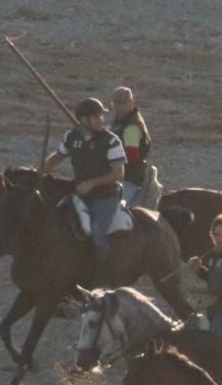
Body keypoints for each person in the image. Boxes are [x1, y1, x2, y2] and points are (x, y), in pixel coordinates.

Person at [41, 97, 126, 281]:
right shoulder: (71, 137)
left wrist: (92, 183)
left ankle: (105, 277)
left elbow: (119, 174)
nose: (101, 120)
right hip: (79, 195)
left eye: (101, 116)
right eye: (96, 116)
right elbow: (58, 157)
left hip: (106, 197)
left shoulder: (112, 141)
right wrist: (44, 167)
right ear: (84, 120)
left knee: (97, 233)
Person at [109, 86, 162, 210]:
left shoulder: (132, 127)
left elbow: (131, 157)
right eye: (116, 103)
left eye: (123, 103)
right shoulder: (121, 120)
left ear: (132, 102)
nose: (119, 107)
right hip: (121, 175)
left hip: (129, 178)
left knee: (118, 210)